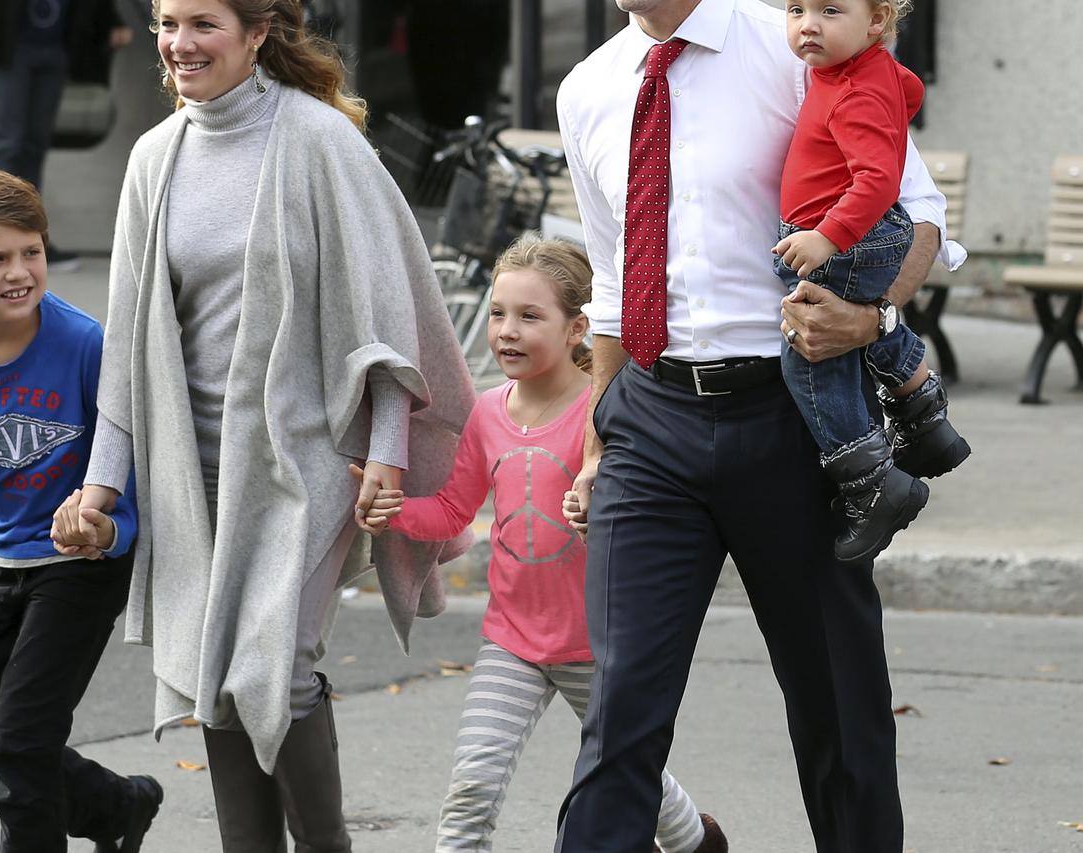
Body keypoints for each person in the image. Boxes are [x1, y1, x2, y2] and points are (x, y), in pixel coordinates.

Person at [48, 1, 474, 850]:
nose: (178, 43)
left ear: (259, 31)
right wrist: (100, 485)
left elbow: (385, 322)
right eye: (169, 23)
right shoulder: (152, 159)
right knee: (221, 678)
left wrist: (388, 452)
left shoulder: (319, 141)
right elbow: (131, 345)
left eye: (203, 23)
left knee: (274, 667)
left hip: (306, 464)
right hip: (189, 470)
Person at [551, 1, 963, 851]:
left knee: (839, 712)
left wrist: (874, 316)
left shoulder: (795, 43)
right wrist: (594, 445)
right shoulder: (588, 86)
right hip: (650, 423)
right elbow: (609, 279)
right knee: (618, 717)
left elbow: (919, 215)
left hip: (793, 417)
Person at [362, 236, 727, 853]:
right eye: (499, 312)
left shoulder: (607, 410)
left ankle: (695, 843)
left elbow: (656, 513)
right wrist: (393, 512)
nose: (506, 330)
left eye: (530, 316)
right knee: (471, 787)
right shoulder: (486, 413)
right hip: (513, 641)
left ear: (578, 327)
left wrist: (603, 508)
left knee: (633, 776)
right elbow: (455, 511)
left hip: (598, 644)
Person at [0, 169, 162, 853]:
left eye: (32, 251)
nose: (20, 271)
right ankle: (118, 804)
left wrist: (112, 528)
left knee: (19, 745)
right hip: (1, 563)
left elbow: (128, 456)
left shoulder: (82, 343)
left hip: (80, 566)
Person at [771, 0, 969, 563]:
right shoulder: (865, 70)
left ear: (876, 21)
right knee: (859, 323)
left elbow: (879, 179)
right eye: (797, 10)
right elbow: (909, 88)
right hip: (862, 235)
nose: (808, 24)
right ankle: (924, 417)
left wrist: (826, 237)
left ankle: (872, 483)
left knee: (809, 356)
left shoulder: (851, 91)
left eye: (830, 11)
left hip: (840, 236)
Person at [0, 0, 138, 270]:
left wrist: (110, 22)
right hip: (7, 47)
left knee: (33, 146)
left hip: (54, 44)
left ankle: (28, 241)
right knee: (7, 143)